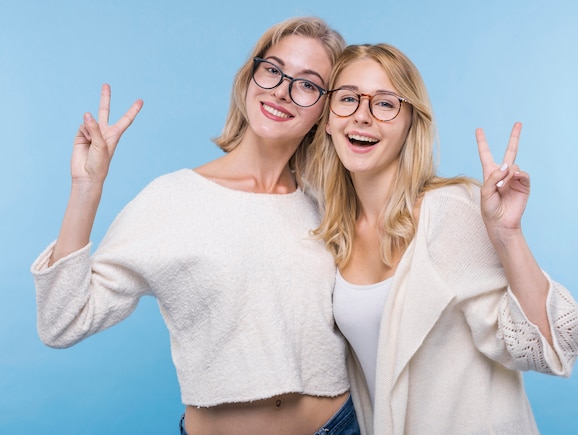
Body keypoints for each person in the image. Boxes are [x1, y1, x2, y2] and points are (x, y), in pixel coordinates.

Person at [31, 17, 362, 435]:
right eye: (273, 70)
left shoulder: (328, 203)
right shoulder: (174, 199)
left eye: (308, 84)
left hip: (340, 425)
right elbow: (62, 322)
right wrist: (86, 187)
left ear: (325, 112)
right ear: (249, 79)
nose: (282, 90)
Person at [302, 43, 578, 434]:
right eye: (348, 99)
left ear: (410, 123)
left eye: (385, 104)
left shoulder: (449, 211)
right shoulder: (332, 228)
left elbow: (552, 348)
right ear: (328, 118)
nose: (362, 117)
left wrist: (508, 235)